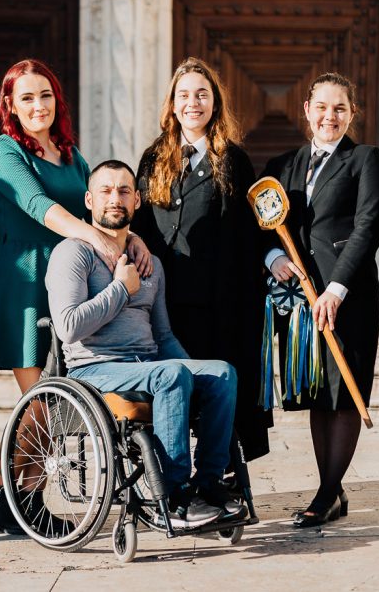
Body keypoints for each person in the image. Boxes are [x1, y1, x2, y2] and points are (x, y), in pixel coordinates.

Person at [0, 59, 152, 534]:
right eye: (27, 97)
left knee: (59, 406)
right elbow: (36, 205)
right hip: (26, 281)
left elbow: (99, 208)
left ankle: (16, 496)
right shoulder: (4, 149)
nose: (38, 106)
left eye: (46, 95)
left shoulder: (73, 156)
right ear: (10, 104)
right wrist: (95, 239)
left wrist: (129, 237)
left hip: (73, 284)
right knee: (37, 403)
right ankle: (11, 497)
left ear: (58, 100)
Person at [46, 160, 242, 526]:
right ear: (89, 200)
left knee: (222, 373)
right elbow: (68, 327)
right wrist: (121, 289)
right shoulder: (73, 254)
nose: (114, 198)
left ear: (137, 201)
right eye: (105, 191)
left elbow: (163, 336)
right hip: (94, 368)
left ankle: (209, 483)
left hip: (148, 364)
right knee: (170, 377)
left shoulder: (149, 262)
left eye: (124, 191)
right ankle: (176, 496)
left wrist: (193, 375)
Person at [261, 73, 379, 527]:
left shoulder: (364, 159)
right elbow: (261, 224)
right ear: (307, 109)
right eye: (322, 107)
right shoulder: (282, 164)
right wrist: (274, 256)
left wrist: (337, 289)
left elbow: (368, 225)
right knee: (320, 394)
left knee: (345, 394)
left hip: (346, 297)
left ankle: (327, 493)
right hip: (301, 300)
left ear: (352, 114)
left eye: (340, 109)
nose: (329, 116)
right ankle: (331, 491)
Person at [135, 57, 272, 463]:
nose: (193, 102)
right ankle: (169, 476)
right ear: (172, 104)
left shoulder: (233, 160)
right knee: (171, 391)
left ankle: (219, 475)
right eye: (184, 95)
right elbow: (140, 224)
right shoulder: (153, 157)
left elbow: (248, 235)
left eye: (202, 94)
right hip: (162, 301)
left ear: (215, 103)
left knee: (217, 390)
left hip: (217, 305)